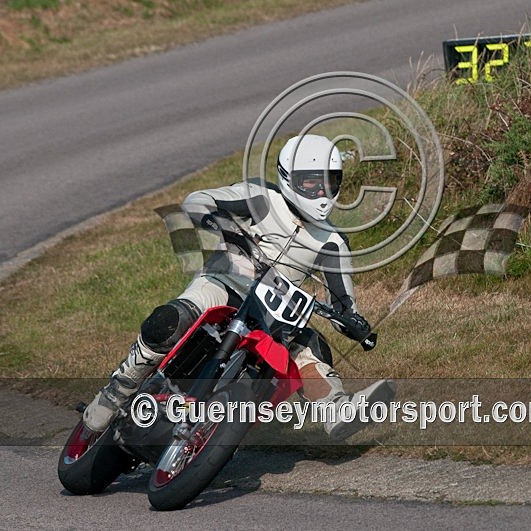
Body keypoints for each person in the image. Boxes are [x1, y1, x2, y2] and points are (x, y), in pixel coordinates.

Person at [83, 134, 396, 441]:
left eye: (329, 182)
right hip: (225, 283)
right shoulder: (262, 197)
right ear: (289, 178)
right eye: (312, 183)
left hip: (277, 314)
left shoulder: (333, 242)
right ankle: (117, 391)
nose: (321, 192)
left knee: (314, 349)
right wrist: (221, 228)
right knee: (169, 322)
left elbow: (344, 302)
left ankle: (337, 410)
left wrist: (353, 321)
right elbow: (199, 200)